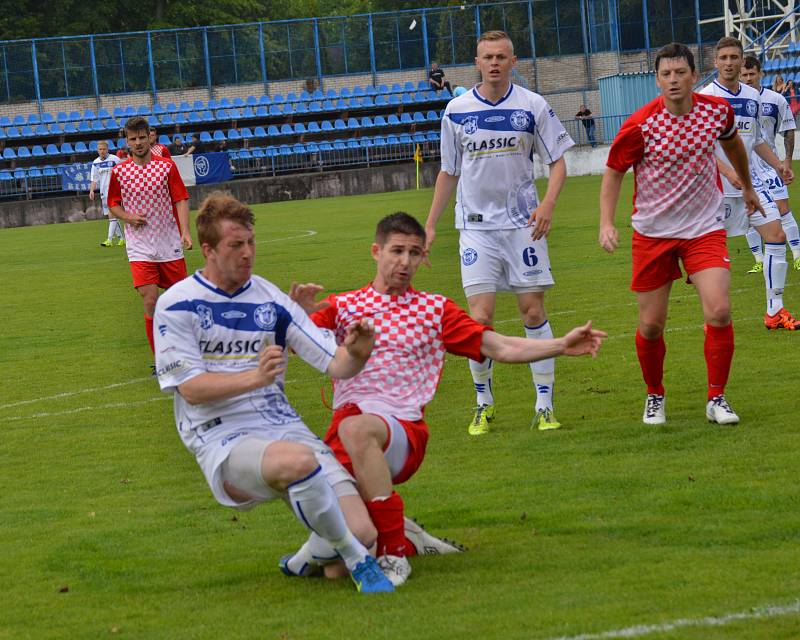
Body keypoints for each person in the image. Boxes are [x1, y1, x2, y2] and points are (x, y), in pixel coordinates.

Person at [288, 212, 607, 586]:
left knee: (357, 429)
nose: (405, 262)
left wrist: (558, 344)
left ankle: (394, 551)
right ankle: (401, 533)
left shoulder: (434, 310)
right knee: (336, 569)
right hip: (344, 438)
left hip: (401, 432)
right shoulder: (343, 306)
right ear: (376, 251)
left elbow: (497, 345)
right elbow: (291, 343)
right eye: (397, 251)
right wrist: (299, 315)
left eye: (415, 253)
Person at [152, 192, 394, 594]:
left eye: (251, 242)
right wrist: (254, 378)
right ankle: (357, 559)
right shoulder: (177, 303)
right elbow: (191, 389)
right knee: (301, 464)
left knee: (364, 530)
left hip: (281, 423)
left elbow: (335, 364)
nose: (248, 253)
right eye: (236, 245)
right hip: (220, 433)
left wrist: (357, 352)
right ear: (208, 250)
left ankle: (309, 560)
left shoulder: (269, 298)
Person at [600, 42, 762, 426]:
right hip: (653, 233)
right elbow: (613, 172)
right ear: (657, 81)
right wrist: (607, 222)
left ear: (693, 76)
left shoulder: (715, 112)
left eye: (680, 73)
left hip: (704, 228)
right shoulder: (640, 124)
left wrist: (748, 186)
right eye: (666, 74)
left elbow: (734, 144)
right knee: (651, 325)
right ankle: (654, 396)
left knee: (719, 310)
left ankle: (716, 398)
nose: (673, 80)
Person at [425, 30, 575, 435]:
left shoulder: (533, 106)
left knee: (532, 311)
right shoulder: (456, 110)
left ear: (513, 61)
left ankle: (544, 404)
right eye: (487, 56)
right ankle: (483, 402)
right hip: (475, 229)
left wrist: (547, 205)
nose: (494, 62)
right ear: (477, 62)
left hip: (523, 226)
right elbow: (448, 171)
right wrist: (431, 224)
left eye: (501, 56)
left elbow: (558, 162)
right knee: (481, 318)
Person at [699, 37, 800, 330]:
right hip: (716, 189)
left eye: (734, 57)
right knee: (710, 257)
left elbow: (755, 140)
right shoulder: (707, 97)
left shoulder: (752, 97)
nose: (729, 62)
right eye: (724, 58)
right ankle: (712, 316)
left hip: (749, 187)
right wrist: (728, 172)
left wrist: (778, 165)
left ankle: (774, 310)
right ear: (715, 62)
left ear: (743, 62)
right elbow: (701, 145)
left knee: (776, 234)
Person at [107, 116, 193, 353]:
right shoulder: (119, 171)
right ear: (127, 141)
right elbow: (113, 203)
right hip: (139, 246)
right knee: (151, 300)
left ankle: (185, 348)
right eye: (133, 139)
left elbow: (180, 199)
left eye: (142, 137)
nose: (138, 143)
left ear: (150, 137)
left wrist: (185, 232)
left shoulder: (166, 166)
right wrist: (127, 217)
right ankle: (161, 359)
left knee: (179, 303)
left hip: (169, 242)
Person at [740, 56, 800, 273]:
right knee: (749, 215)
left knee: (783, 210)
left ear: (760, 74)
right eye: (744, 75)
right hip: (744, 168)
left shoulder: (775, 99)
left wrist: (785, 161)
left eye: (751, 74)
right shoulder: (735, 101)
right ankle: (759, 259)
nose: (748, 79)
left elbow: (788, 130)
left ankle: (797, 255)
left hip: (769, 166)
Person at [89, 140, 123, 247]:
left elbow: (123, 173)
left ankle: (109, 240)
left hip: (115, 192)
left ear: (107, 149)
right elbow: (94, 179)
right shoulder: (96, 162)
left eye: (104, 149)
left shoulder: (115, 160)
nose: (102, 151)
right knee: (112, 216)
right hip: (103, 192)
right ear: (98, 150)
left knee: (112, 215)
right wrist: (91, 190)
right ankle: (122, 238)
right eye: (100, 149)